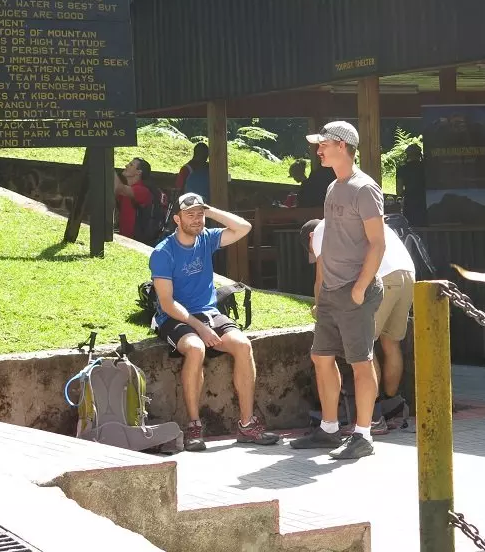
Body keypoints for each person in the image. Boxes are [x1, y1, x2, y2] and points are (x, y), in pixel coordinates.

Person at [149, 192, 280, 451]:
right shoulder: (163, 252)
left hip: (208, 311)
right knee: (196, 348)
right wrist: (200, 328)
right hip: (174, 316)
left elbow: (244, 227)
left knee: (242, 345)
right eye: (190, 215)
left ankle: (247, 424)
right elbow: (167, 303)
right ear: (177, 219)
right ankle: (194, 425)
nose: (196, 219)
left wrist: (209, 211)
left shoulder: (207, 238)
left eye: (200, 215)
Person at [290, 121, 385, 460]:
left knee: (361, 362)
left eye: (324, 144)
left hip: (355, 291)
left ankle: (363, 435)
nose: (318, 150)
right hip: (331, 292)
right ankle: (329, 430)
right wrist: (322, 295)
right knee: (321, 357)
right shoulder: (333, 187)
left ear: (342, 146)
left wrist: (359, 289)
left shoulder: (365, 188)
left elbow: (378, 244)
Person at [301, 217, 415, 432]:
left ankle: (374, 417)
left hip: (381, 276)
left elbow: (321, 280)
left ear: (310, 236)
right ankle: (391, 408)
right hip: (407, 273)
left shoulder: (321, 231)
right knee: (391, 343)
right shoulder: (355, 219)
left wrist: (321, 310)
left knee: (365, 346)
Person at [114, 157, 153, 240]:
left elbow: (119, 188)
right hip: (123, 239)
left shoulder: (142, 190)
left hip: (135, 241)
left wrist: (108, 166)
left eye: (131, 165)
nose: (126, 165)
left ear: (139, 172)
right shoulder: (127, 189)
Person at [395, 143, 427, 227]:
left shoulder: (402, 169)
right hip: (424, 200)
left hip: (409, 201)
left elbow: (399, 189)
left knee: (411, 226)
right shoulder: (426, 167)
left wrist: (400, 197)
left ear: (407, 155)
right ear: (419, 154)